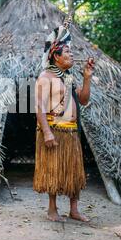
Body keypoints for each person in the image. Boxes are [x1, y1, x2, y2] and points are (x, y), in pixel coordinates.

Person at [33, 24, 94, 222]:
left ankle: (74, 210)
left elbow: (83, 100)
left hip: (71, 132)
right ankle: (52, 210)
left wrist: (86, 78)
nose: (72, 54)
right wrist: (47, 132)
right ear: (56, 56)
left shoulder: (68, 79)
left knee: (73, 172)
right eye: (67, 51)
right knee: (54, 170)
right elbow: (39, 107)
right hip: (54, 131)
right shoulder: (45, 77)